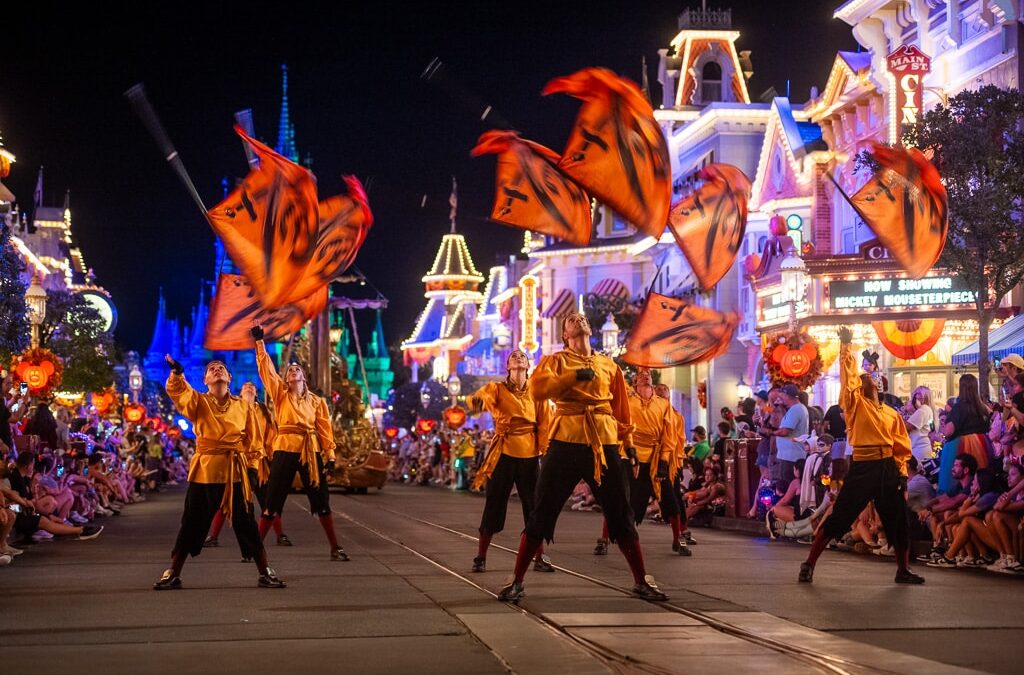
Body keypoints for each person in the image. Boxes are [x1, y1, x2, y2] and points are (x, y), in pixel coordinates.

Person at [497, 312, 667, 602]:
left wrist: (630, 447)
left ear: (590, 329)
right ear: (565, 334)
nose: (579, 320)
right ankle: (516, 579)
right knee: (542, 511)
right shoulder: (555, 361)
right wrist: (574, 376)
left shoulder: (608, 365)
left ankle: (641, 579)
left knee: (621, 512)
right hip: (565, 441)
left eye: (582, 318)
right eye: (572, 320)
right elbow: (538, 389)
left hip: (604, 442)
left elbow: (621, 410)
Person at [798, 327, 924, 585]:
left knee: (898, 519)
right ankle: (809, 563)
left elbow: (901, 447)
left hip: (887, 467)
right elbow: (848, 379)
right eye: (865, 377)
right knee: (841, 516)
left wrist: (901, 476)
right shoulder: (857, 406)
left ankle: (903, 569)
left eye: (873, 377)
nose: (870, 379)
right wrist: (846, 347)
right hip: (863, 465)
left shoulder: (891, 413)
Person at [153, 355, 283, 590]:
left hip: (236, 473)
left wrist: (252, 470)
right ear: (205, 380)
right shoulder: (198, 402)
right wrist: (177, 374)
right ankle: (173, 571)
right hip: (205, 471)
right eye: (211, 369)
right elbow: (178, 392)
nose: (217, 370)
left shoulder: (244, 406)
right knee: (191, 523)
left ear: (230, 378)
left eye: (221, 368)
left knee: (247, 524)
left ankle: (265, 571)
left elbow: (253, 442)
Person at [252, 324, 348, 561]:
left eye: (297, 369)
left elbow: (325, 429)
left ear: (304, 376)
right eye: (290, 369)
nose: (293, 370)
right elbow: (267, 370)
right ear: (286, 378)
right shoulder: (280, 394)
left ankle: (335, 547)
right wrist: (259, 342)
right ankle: (253, 548)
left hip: (310, 449)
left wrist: (331, 457)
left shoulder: (317, 402)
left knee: (321, 499)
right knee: (272, 501)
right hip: (284, 448)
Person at [466, 350, 553, 573]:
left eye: (522, 356)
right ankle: (480, 556)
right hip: (502, 453)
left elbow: (545, 424)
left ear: (528, 364)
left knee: (534, 508)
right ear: (507, 365)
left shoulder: (537, 392)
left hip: (529, 454)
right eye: (513, 356)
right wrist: (476, 402)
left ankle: (540, 557)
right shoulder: (497, 388)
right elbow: (479, 400)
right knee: (493, 504)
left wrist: (546, 452)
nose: (518, 358)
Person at [595, 368, 687, 557]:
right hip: (630, 456)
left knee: (670, 499)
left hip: (655, 458)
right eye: (641, 375)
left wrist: (663, 462)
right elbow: (618, 426)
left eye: (648, 375)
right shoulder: (627, 402)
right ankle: (604, 539)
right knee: (620, 498)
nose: (645, 376)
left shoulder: (663, 404)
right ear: (635, 382)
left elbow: (669, 435)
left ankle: (678, 539)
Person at [205, 381, 290, 553]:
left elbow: (272, 436)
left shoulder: (265, 412)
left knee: (268, 501)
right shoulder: (234, 407)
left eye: (252, 387)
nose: (249, 388)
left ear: (256, 392)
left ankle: (280, 535)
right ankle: (213, 536)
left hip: (260, 463)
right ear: (240, 392)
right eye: (245, 387)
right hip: (237, 461)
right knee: (227, 500)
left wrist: (272, 456)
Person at [655, 383, 696, 550]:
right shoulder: (650, 412)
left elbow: (678, 441)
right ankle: (608, 537)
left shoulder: (676, 416)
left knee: (674, 497)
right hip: (647, 459)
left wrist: (677, 461)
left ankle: (681, 532)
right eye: (659, 392)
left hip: (671, 462)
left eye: (665, 392)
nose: (662, 394)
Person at [939, 374, 994, 493]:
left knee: (957, 483)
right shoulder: (983, 408)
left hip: (961, 447)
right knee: (977, 482)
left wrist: (943, 430)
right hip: (982, 445)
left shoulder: (959, 407)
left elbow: (948, 431)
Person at [771, 384, 808, 483]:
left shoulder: (796, 409)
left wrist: (771, 432)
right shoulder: (795, 409)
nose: (780, 399)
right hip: (790, 455)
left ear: (787, 396)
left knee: (786, 485)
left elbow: (785, 431)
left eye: (781, 396)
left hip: (790, 457)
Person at [903, 386, 935, 462]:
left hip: (918, 451)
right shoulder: (927, 410)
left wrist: (902, 413)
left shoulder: (923, 410)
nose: (913, 398)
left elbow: (907, 426)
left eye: (916, 394)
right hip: (921, 450)